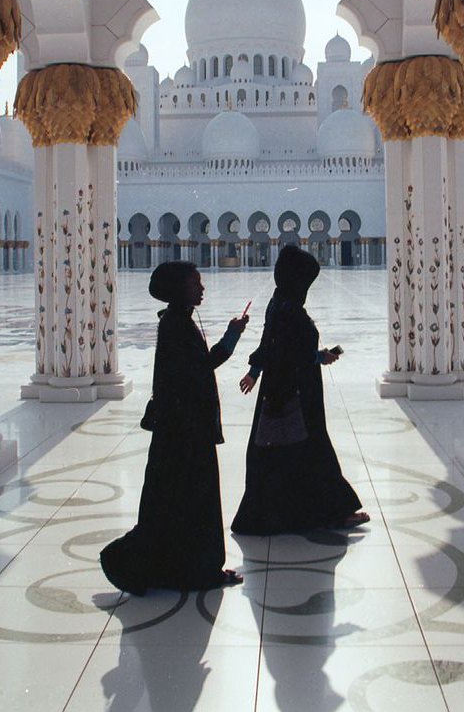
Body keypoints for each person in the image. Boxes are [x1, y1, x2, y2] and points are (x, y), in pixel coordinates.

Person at [100, 261, 248, 594]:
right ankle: (193, 569)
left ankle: (186, 567)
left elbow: (197, 367)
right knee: (193, 500)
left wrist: (231, 335)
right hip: (186, 431)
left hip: (181, 428)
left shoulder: (177, 321)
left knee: (179, 500)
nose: (202, 288)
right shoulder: (176, 325)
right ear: (180, 288)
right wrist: (232, 337)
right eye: (196, 283)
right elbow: (198, 370)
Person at [231, 245, 369, 535]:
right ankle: (333, 511)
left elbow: (271, 344)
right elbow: (285, 352)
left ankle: (278, 514)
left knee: (283, 451)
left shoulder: (278, 302)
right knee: (312, 448)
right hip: (294, 392)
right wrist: (318, 357)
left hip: (281, 387)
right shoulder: (289, 310)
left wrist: (256, 371)